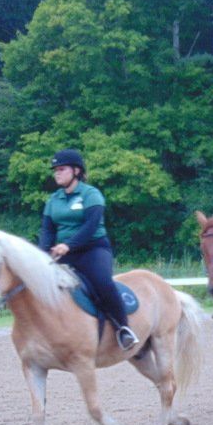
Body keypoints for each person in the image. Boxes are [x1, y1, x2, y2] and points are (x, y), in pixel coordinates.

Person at [38, 149, 139, 350]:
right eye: (55, 170)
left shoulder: (91, 194)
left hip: (93, 250)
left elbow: (91, 226)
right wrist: (42, 254)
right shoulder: (53, 200)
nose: (57, 173)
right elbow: (47, 231)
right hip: (62, 254)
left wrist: (68, 245)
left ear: (76, 171)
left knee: (102, 283)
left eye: (61, 169)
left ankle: (123, 329)